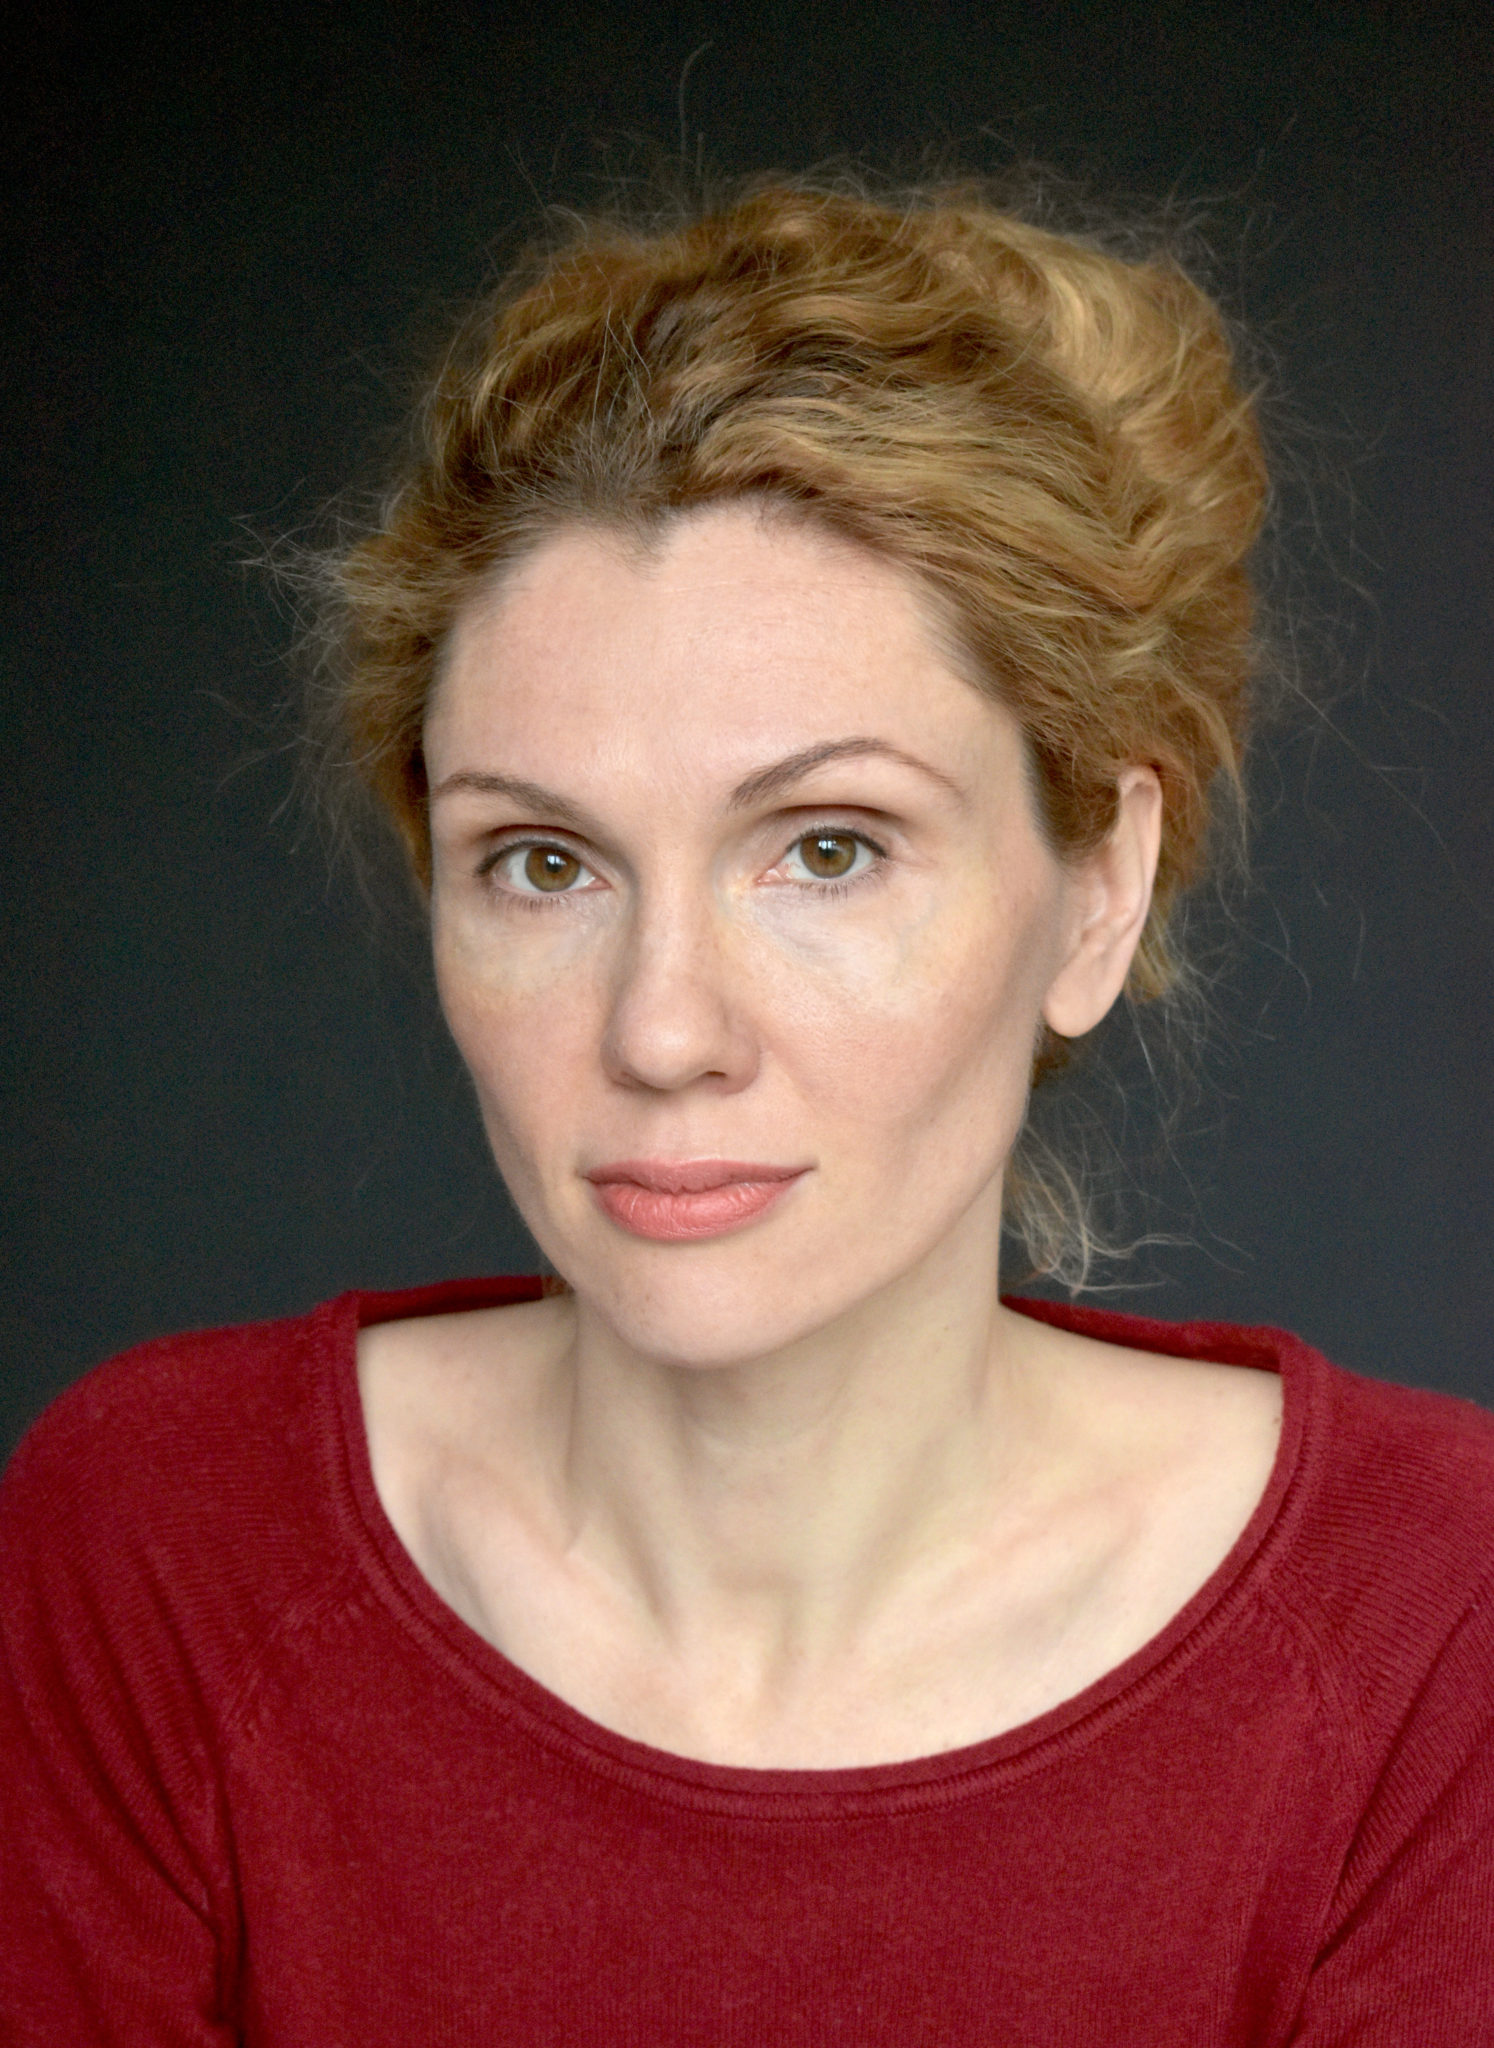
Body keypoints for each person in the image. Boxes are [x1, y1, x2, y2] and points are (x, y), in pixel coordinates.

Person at [3, 181, 1492, 2046]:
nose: (661, 1030)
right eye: (544, 863)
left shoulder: (1425, 1612)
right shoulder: (163, 1543)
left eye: (828, 848)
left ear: (1096, 888)